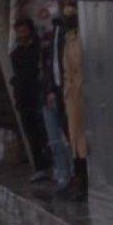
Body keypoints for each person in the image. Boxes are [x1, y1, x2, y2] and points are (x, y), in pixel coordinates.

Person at [9, 18, 51, 182]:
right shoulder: (16, 53)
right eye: (19, 32)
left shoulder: (39, 49)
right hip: (24, 98)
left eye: (24, 30)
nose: (22, 34)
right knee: (31, 133)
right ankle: (40, 167)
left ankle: (51, 165)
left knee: (44, 132)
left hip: (38, 96)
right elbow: (18, 76)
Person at [43, 10, 73, 192]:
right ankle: (64, 175)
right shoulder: (55, 31)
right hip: (54, 91)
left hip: (68, 90)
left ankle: (71, 174)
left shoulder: (68, 33)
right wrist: (50, 89)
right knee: (56, 140)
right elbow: (50, 65)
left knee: (69, 137)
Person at [61, 3, 88, 202]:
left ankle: (84, 180)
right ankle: (80, 178)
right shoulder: (68, 39)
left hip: (86, 92)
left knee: (85, 139)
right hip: (73, 95)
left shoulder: (83, 37)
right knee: (76, 138)